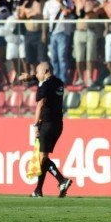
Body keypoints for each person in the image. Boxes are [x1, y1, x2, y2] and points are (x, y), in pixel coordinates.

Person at [18, 62, 72, 198]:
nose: (36, 74)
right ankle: (38, 190)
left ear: (45, 71)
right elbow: (43, 78)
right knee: (43, 157)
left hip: (46, 124)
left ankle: (62, 180)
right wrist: (31, 77)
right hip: (58, 125)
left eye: (37, 72)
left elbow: (40, 105)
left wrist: (35, 125)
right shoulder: (58, 82)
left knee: (42, 158)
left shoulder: (44, 86)